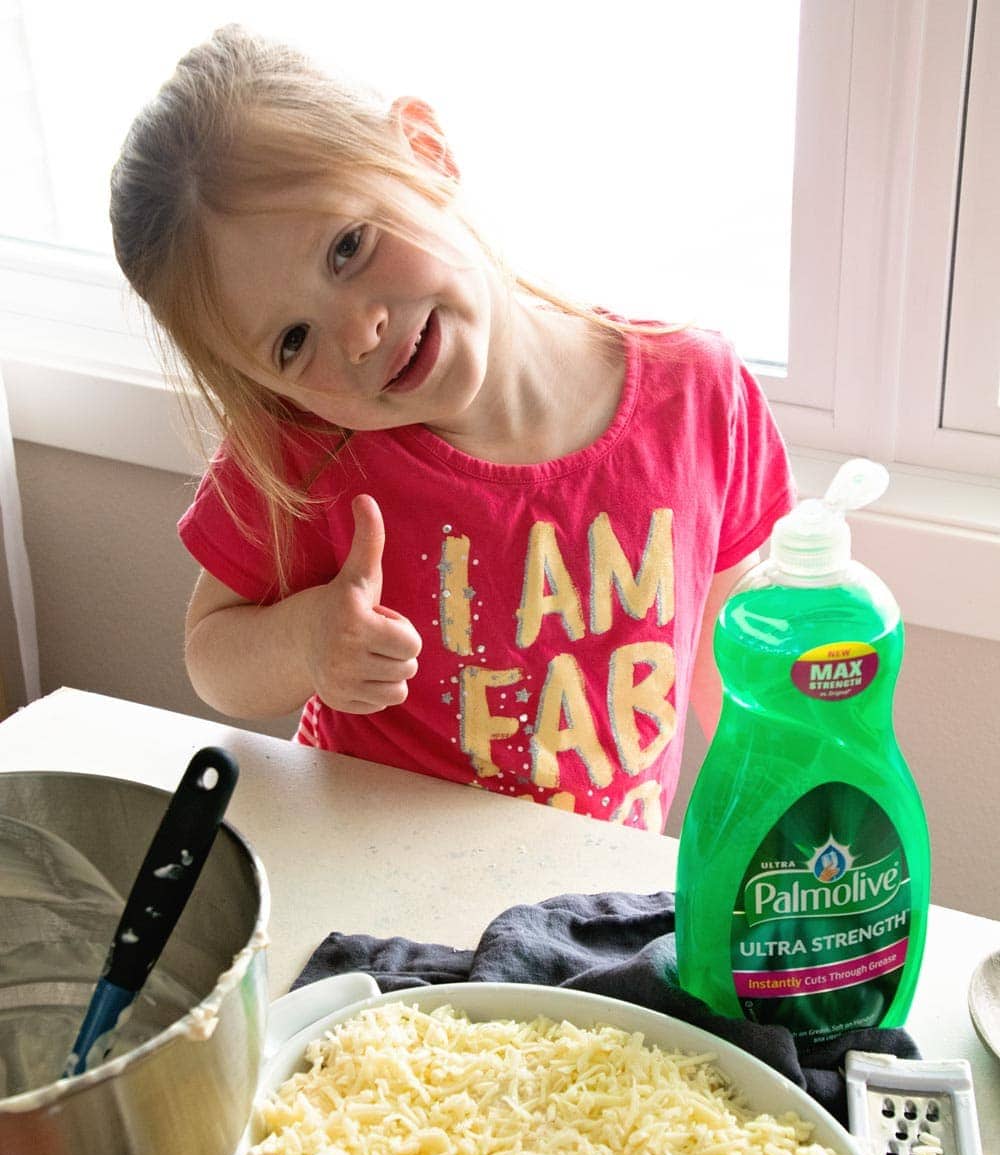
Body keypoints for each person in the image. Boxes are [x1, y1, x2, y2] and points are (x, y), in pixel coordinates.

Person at [110, 25, 795, 835]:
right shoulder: (307, 451)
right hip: (379, 895)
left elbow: (737, 655)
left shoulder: (697, 396)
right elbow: (211, 656)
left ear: (426, 153)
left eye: (348, 247)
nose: (359, 332)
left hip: (594, 901)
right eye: (293, 343)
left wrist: (778, 806)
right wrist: (307, 643)